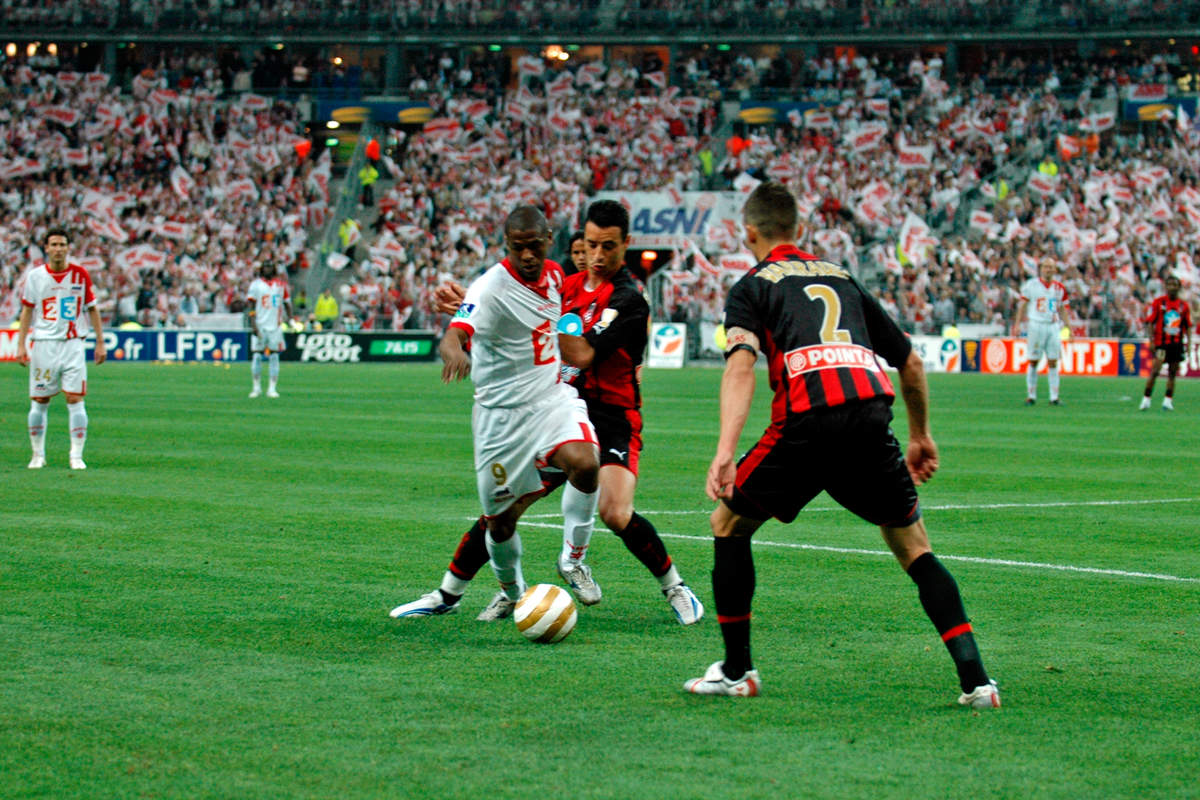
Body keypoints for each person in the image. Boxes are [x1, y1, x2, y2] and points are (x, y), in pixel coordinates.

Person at [684, 182, 998, 709]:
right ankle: (978, 682)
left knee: (726, 525)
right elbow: (911, 364)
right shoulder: (842, 277)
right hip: (870, 417)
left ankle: (738, 670)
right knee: (913, 546)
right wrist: (920, 435)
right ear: (799, 230)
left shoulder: (752, 285)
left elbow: (741, 366)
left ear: (750, 233)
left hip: (806, 420)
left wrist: (724, 449)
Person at [401, 201, 704, 625]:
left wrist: (519, 315)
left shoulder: (629, 298)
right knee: (505, 511)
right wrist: (469, 307)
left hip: (612, 413)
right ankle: (453, 593)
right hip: (557, 404)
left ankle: (672, 585)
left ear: (625, 246)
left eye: (608, 247)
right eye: (590, 245)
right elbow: (509, 304)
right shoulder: (566, 281)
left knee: (615, 511)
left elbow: (577, 352)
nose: (597, 256)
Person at [391, 206, 600, 621]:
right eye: (518, 248)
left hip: (550, 400)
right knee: (499, 523)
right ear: (506, 244)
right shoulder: (488, 288)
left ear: (548, 239)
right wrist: (453, 350)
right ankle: (515, 593)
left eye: (535, 246)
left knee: (585, 461)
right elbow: (457, 331)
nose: (527, 256)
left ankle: (573, 559)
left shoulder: (556, 275)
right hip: (500, 421)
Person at [17, 227, 107, 470]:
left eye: (62, 245)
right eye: (53, 245)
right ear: (46, 248)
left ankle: (76, 456)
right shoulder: (35, 277)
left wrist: (100, 342)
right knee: (40, 399)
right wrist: (21, 344)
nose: (58, 249)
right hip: (44, 345)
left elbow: (92, 308)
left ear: (68, 248)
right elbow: (27, 310)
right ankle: (37, 455)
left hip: (73, 345)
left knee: (75, 397)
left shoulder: (80, 275)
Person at [1014, 257, 1069, 406]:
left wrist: (1069, 327)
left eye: (1051, 267)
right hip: (1036, 325)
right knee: (1033, 361)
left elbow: (1063, 308)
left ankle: (1054, 397)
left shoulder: (1059, 288)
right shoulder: (1031, 285)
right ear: (1041, 269)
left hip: (1052, 326)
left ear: (1055, 270)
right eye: (1046, 267)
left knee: (1053, 361)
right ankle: (1031, 396)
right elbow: (1022, 305)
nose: (1048, 270)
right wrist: (1017, 324)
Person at [1139, 275, 1192, 411]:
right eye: (1169, 285)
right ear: (1166, 287)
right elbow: (1150, 322)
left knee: (1172, 373)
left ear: (1179, 287)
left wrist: (1189, 345)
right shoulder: (1158, 303)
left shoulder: (1183, 306)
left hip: (1176, 344)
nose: (1172, 287)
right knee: (1155, 371)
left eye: (1175, 285)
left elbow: (1188, 327)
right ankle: (1146, 399)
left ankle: (1168, 401)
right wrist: (1151, 341)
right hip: (1161, 344)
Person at [246, 263, 292, 399]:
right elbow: (251, 305)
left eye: (270, 266)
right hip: (260, 324)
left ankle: (272, 388)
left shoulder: (280, 285)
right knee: (257, 355)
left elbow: (287, 302)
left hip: (275, 325)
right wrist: (253, 324)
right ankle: (256, 387)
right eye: (265, 266)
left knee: (274, 355)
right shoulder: (255, 285)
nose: (267, 269)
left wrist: (290, 318)